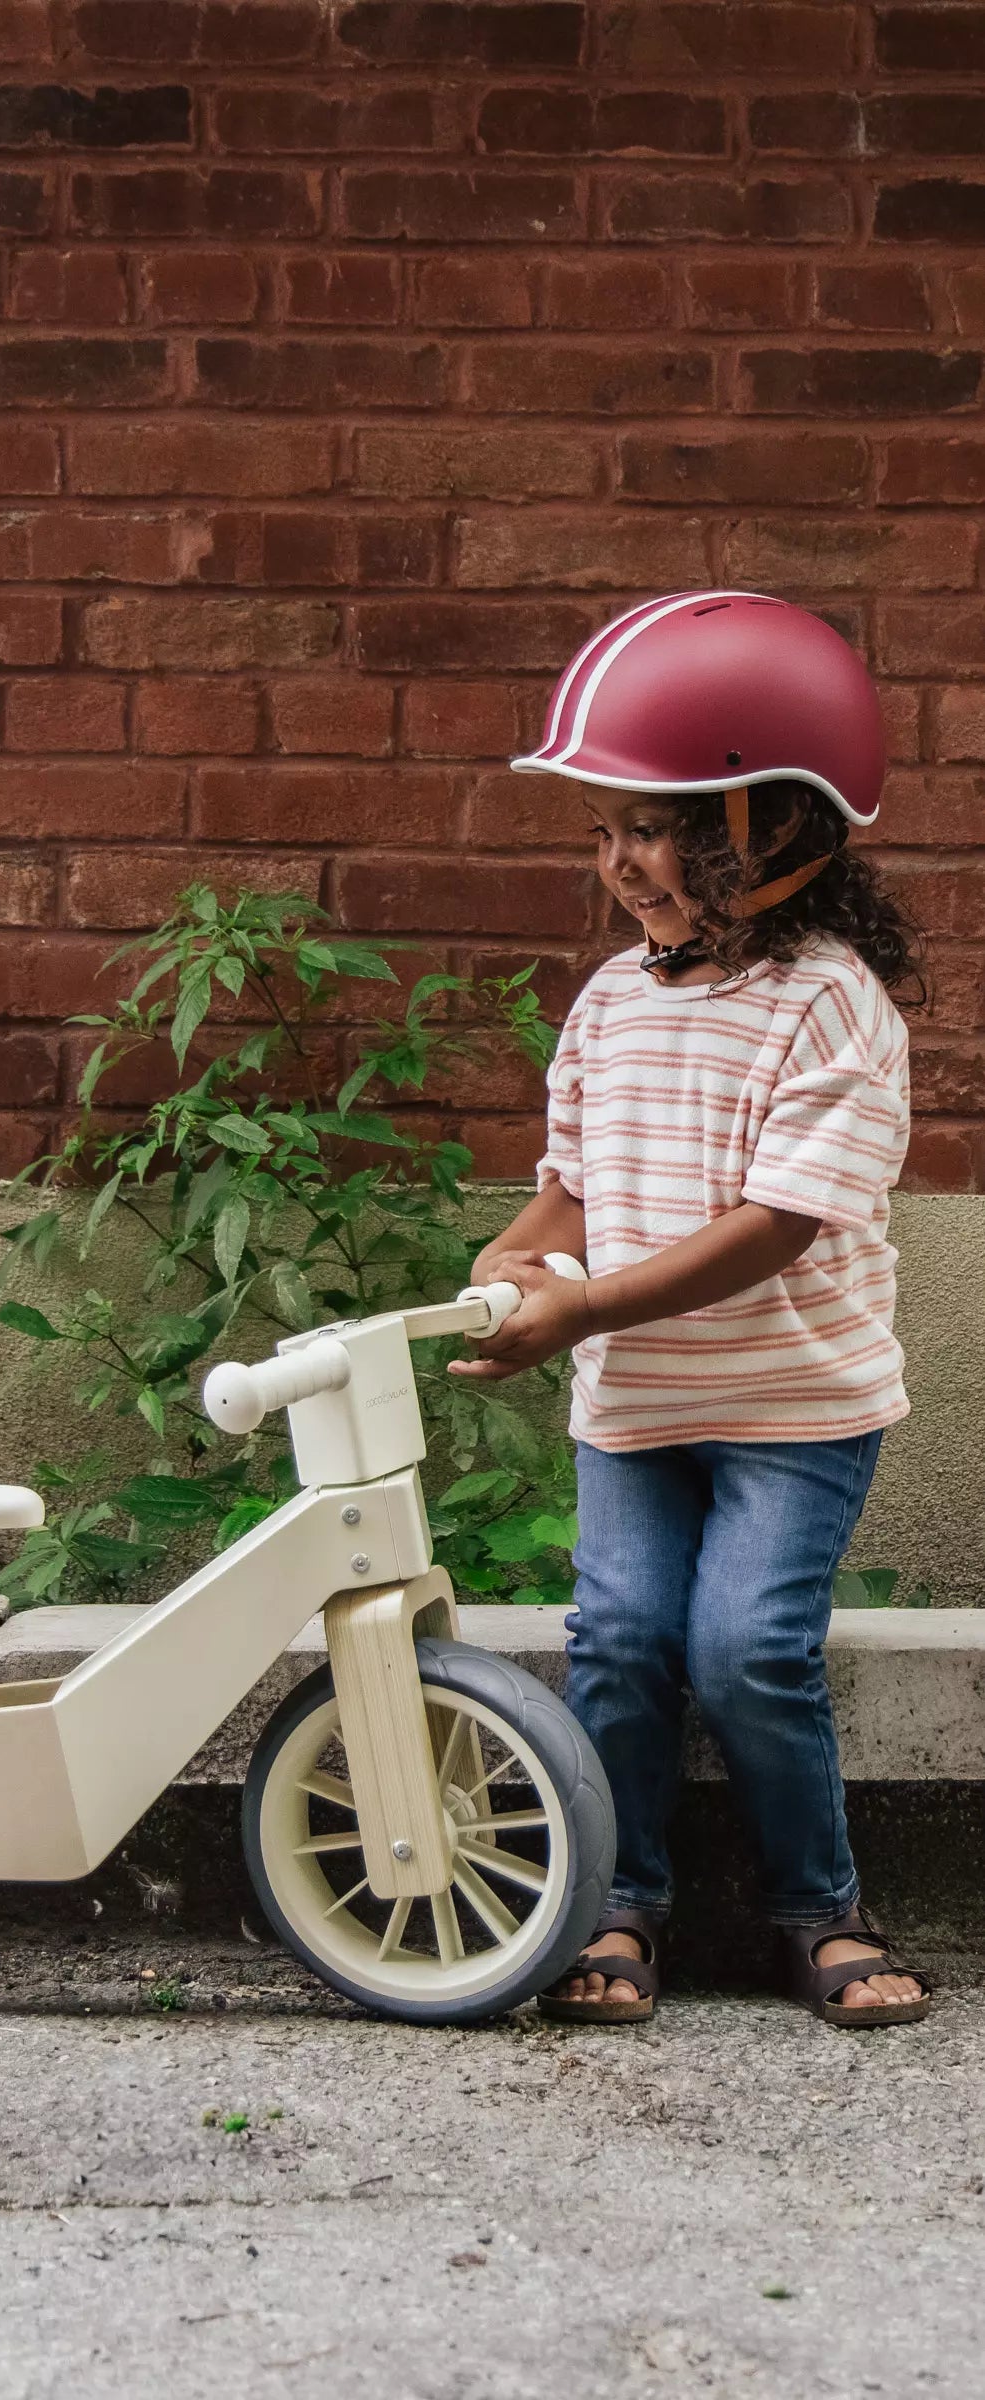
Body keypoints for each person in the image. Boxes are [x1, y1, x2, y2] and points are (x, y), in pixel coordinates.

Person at [452, 591, 931, 2027]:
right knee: (619, 1643)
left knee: (743, 1651)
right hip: (641, 1406)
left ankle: (815, 1904)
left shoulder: (829, 1005)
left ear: (776, 828)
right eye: (604, 834)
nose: (622, 865)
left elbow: (775, 1226)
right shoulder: (608, 1003)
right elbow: (575, 1189)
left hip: (794, 1404)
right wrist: (518, 1261)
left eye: (656, 829)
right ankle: (616, 1899)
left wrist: (581, 1308)